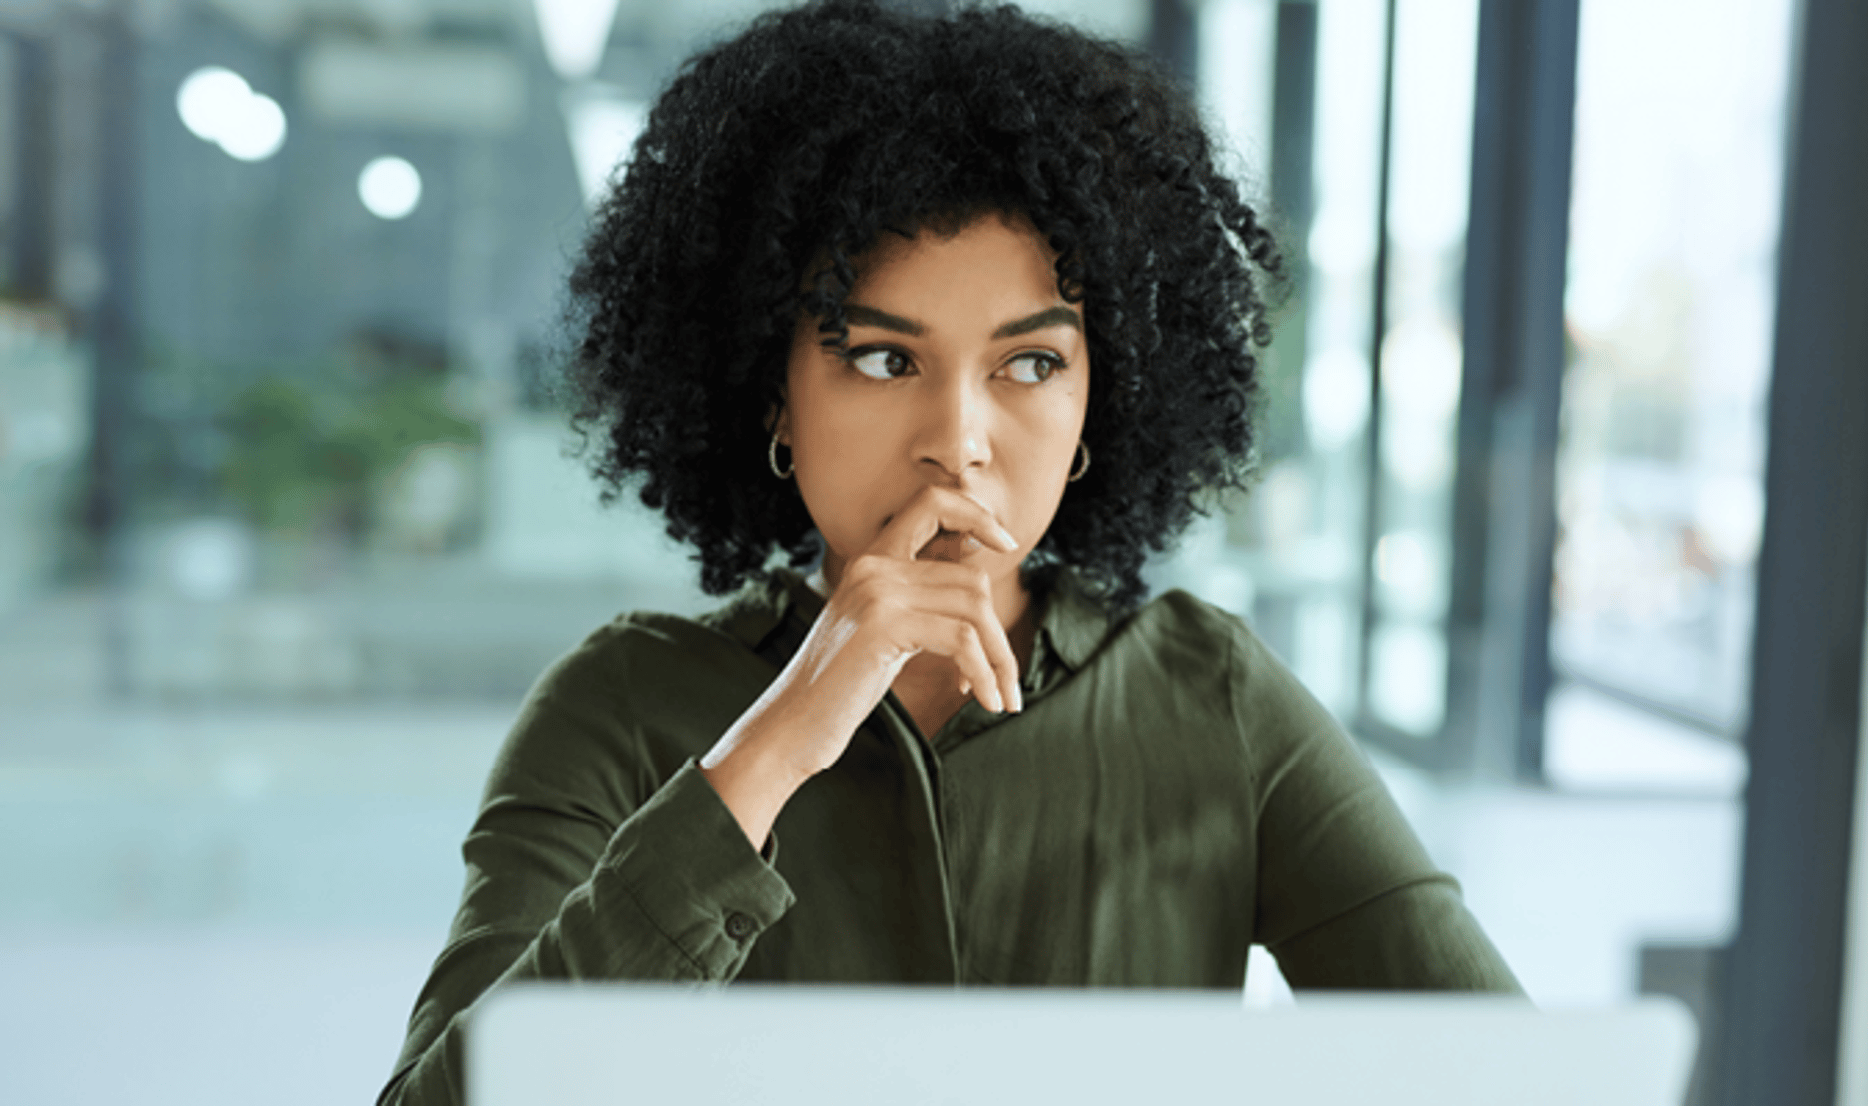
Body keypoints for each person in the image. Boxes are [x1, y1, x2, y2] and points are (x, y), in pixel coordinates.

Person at [379, 2, 1520, 1102]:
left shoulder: (1212, 695)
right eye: (884, 360)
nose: (959, 445)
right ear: (774, 396)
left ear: (1097, 410)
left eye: (1028, 366)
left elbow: (1506, 1076)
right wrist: (773, 747)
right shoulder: (621, 702)